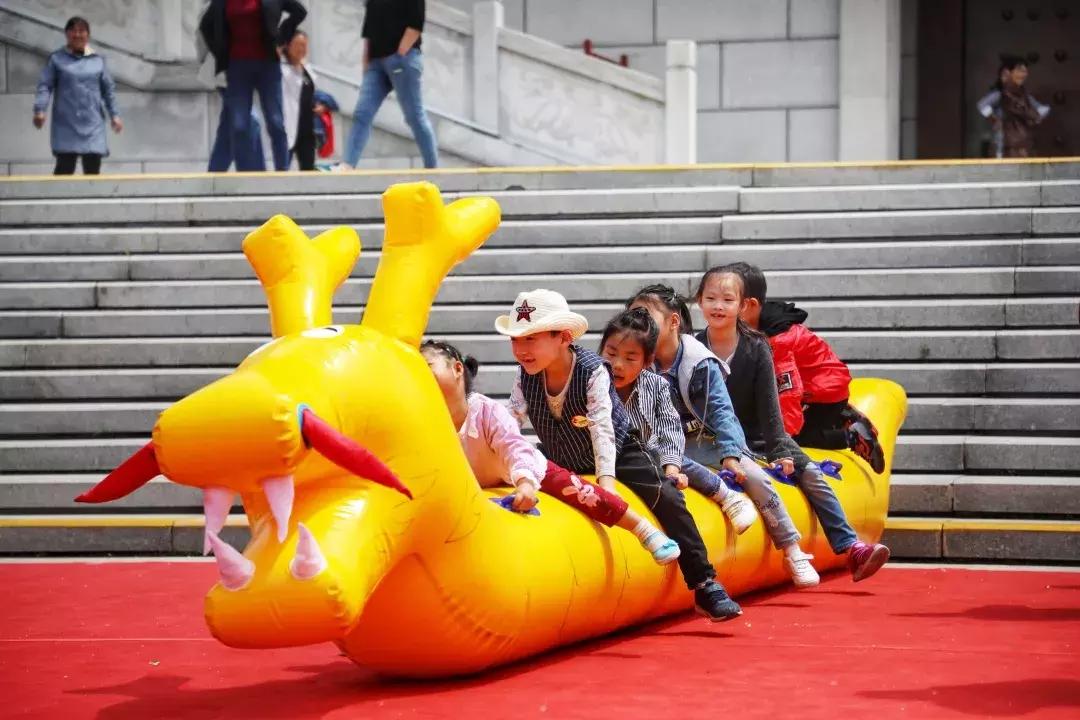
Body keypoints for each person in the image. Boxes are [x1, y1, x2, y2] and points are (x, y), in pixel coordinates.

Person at [495, 289, 743, 621]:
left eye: (532, 338)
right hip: (560, 453)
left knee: (666, 496)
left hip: (620, 450)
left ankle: (704, 582)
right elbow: (511, 419)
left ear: (563, 337)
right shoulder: (526, 373)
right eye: (516, 340)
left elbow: (602, 430)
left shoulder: (593, 370)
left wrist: (606, 487)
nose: (521, 349)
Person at [694, 267, 890, 583]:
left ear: (744, 305)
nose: (718, 306)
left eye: (728, 299)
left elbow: (773, 408)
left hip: (758, 434)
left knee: (811, 472)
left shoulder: (759, 346)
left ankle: (851, 546)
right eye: (711, 298)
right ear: (699, 302)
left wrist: (782, 449)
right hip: (710, 439)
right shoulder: (691, 346)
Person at [420, 339, 680, 566]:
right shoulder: (426, 423)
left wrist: (524, 483)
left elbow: (514, 446)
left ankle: (643, 530)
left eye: (427, 367)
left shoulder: (487, 411)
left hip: (531, 471)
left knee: (584, 492)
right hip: (480, 485)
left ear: (456, 369)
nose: (419, 376)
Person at [627, 285, 819, 589]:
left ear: (674, 321)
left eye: (646, 316)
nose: (639, 324)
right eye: (634, 316)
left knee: (755, 478)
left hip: (708, 440)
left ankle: (793, 549)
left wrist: (731, 453)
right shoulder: (634, 359)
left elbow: (722, 411)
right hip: (664, 446)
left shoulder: (698, 360)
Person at [598, 307, 758, 536]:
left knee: (676, 459)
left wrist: (671, 467)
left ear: (647, 361)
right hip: (605, 456)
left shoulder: (656, 384)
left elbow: (670, 429)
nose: (617, 364)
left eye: (630, 357)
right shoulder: (592, 382)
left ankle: (726, 495)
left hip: (649, 451)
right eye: (611, 354)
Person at [725, 262, 885, 473]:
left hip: (825, 393)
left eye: (727, 300)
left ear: (751, 305)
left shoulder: (778, 341)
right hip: (817, 385)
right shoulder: (758, 326)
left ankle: (849, 436)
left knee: (792, 438)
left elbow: (788, 393)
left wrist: (782, 442)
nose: (718, 307)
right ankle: (841, 418)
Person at [199, 0, 307, 171]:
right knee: (239, 126)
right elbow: (206, 26)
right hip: (237, 68)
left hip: (268, 67)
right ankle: (245, 176)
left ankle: (283, 173)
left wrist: (282, 37)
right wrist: (221, 52)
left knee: (276, 122)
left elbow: (299, 11)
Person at [339, 0, 438, 169]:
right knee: (362, 113)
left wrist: (400, 54)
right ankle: (348, 164)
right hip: (376, 63)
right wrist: (366, 65)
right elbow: (368, 32)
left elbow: (416, 23)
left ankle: (432, 168)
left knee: (414, 116)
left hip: (401, 59)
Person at [32, 16, 122, 176]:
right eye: (73, 30)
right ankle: (57, 201)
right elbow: (45, 85)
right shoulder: (57, 59)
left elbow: (108, 90)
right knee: (65, 168)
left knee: (93, 169)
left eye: (82, 31)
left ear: (88, 35)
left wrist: (115, 115)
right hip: (66, 123)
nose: (77, 34)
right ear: (66, 34)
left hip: (92, 123)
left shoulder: (98, 60)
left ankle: (92, 200)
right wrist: (40, 110)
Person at [976, 55, 1049, 158]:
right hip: (1004, 143)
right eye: (1019, 70)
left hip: (1024, 143)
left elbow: (1043, 109)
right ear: (1007, 73)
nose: (1023, 74)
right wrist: (994, 119)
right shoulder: (999, 95)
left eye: (1025, 71)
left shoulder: (1026, 97)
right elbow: (982, 105)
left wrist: (1036, 118)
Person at [281, 30, 316, 170]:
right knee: (283, 167)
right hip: (287, 125)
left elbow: (314, 92)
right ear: (288, 46)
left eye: (305, 45)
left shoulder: (307, 68)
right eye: (298, 45)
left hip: (307, 128)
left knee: (308, 168)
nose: (302, 49)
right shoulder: (280, 69)